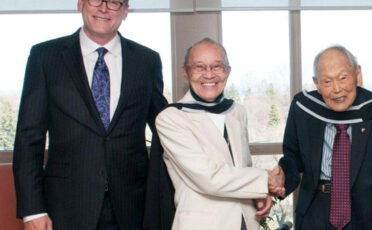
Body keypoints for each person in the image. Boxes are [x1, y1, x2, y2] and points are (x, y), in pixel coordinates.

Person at [13, 0, 167, 229]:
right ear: (80, 4)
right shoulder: (45, 57)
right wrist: (33, 210)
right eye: (96, 0)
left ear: (125, 11)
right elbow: (29, 138)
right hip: (64, 207)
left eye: (114, 2)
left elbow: (165, 126)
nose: (104, 8)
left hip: (132, 207)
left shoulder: (147, 61)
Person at [278, 45, 372, 230]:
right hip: (315, 216)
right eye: (327, 81)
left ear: (358, 75)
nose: (337, 89)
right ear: (317, 84)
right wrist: (280, 181)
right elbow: (292, 159)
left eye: (343, 78)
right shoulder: (303, 109)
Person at [154, 38, 285, 230]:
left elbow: (243, 166)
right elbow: (208, 177)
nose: (209, 74)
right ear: (185, 72)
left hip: (246, 221)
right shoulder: (171, 119)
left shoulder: (237, 112)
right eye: (199, 67)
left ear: (228, 72)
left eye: (217, 66)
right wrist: (265, 179)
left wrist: (258, 193)